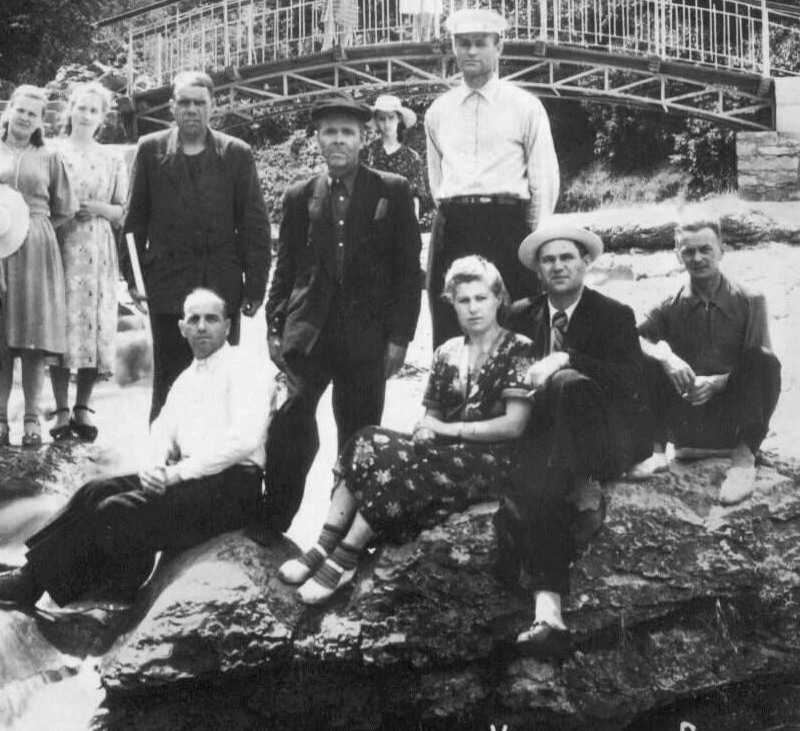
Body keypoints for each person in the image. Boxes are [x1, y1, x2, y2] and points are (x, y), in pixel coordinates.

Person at [0, 289, 275, 609]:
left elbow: (244, 440)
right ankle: (33, 565)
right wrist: (156, 465)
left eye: (211, 319)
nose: (202, 327)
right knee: (95, 490)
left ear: (228, 326)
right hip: (192, 478)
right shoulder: (187, 378)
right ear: (182, 328)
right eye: (194, 319)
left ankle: (31, 583)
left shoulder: (244, 366)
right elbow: (162, 429)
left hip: (233, 489)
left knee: (115, 511)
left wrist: (175, 474)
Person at [278, 256, 535, 607]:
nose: (473, 308)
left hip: (492, 459)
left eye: (481, 298)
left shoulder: (519, 348)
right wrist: (425, 430)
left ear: (498, 300)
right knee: (366, 439)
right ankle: (325, 543)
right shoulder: (447, 352)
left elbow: (515, 424)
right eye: (464, 300)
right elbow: (431, 416)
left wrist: (449, 429)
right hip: (446, 452)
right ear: (452, 304)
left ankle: (346, 555)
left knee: (404, 467)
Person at [261, 96, 426, 532]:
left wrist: (400, 339)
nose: (338, 140)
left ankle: (342, 531)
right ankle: (274, 521)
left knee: (358, 437)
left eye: (347, 132)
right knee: (289, 422)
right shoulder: (298, 195)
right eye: (329, 132)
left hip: (366, 337)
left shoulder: (391, 189)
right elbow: (285, 270)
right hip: (308, 334)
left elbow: (409, 273)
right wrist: (274, 329)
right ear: (317, 138)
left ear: (363, 138)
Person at [499, 221, 650, 652]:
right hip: (543, 436)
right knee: (543, 485)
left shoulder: (614, 315)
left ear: (586, 263)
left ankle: (584, 477)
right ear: (538, 271)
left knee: (567, 383)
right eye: (548, 260)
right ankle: (549, 615)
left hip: (601, 434)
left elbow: (629, 382)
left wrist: (567, 357)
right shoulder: (519, 314)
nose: (558, 266)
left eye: (567, 257)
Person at [125, 70, 271, 420]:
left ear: (212, 106)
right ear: (172, 107)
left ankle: (215, 453)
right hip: (168, 287)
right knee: (169, 384)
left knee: (218, 383)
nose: (192, 109)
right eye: (184, 102)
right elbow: (134, 220)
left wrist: (255, 286)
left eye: (199, 103)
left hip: (219, 287)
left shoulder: (236, 153)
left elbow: (254, 223)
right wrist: (134, 280)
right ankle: (163, 451)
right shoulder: (151, 150)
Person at [422, 8, 559, 347]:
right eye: (463, 43)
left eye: (480, 43)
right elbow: (437, 180)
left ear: (499, 47)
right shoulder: (438, 111)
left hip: (506, 226)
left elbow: (543, 181)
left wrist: (531, 243)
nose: (471, 51)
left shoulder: (524, 106)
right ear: (453, 48)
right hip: (453, 227)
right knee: (450, 327)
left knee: (519, 326)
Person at [635, 217, 782, 505]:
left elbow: (763, 372)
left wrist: (717, 383)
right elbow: (627, 338)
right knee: (645, 353)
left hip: (735, 423)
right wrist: (665, 357)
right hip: (686, 424)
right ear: (678, 255)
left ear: (722, 251)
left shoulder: (751, 300)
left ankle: (743, 462)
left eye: (705, 249)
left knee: (764, 360)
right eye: (688, 251)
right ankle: (655, 451)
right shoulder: (667, 305)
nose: (697, 258)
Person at [0, 85, 77, 450]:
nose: (24, 118)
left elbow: (65, 208)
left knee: (34, 338)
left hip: (37, 248)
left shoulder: (49, 156)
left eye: (32, 114)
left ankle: (32, 417)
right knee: (0, 334)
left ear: (40, 121)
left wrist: (37, 228)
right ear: (9, 111)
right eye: (20, 110)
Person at [49, 81, 129, 445]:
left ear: (102, 118)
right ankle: (60, 408)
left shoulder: (112, 158)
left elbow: (121, 211)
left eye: (93, 110)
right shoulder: (53, 152)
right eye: (81, 107)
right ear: (70, 109)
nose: (85, 115)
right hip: (62, 243)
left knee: (94, 325)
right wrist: (65, 211)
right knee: (63, 325)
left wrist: (96, 208)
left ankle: (83, 405)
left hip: (97, 248)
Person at [357, 94, 433, 226]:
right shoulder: (367, 153)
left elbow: (415, 197)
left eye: (391, 117)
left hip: (402, 221)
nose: (387, 124)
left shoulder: (411, 157)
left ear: (399, 118)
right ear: (376, 121)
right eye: (382, 118)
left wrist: (413, 227)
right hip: (372, 222)